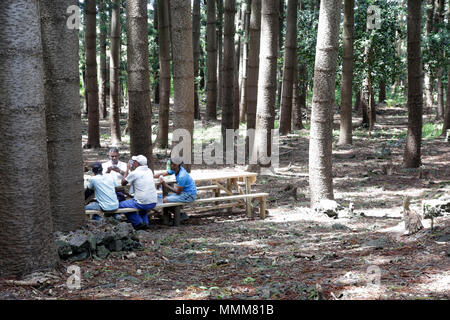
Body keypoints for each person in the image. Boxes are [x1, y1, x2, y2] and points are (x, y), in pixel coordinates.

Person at [119, 155, 157, 230]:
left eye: (134, 162)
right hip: (153, 201)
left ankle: (138, 223)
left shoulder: (135, 173)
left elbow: (123, 183)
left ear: (138, 164)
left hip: (142, 203)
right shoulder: (149, 170)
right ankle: (145, 223)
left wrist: (127, 169)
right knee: (142, 202)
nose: (132, 163)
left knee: (122, 205)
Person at [155, 157, 197, 222]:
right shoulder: (176, 169)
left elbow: (178, 192)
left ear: (176, 165)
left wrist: (165, 185)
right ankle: (174, 214)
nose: (169, 165)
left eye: (171, 164)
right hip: (184, 193)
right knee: (164, 198)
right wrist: (151, 176)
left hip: (189, 195)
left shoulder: (182, 176)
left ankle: (180, 214)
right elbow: (163, 173)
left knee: (164, 200)